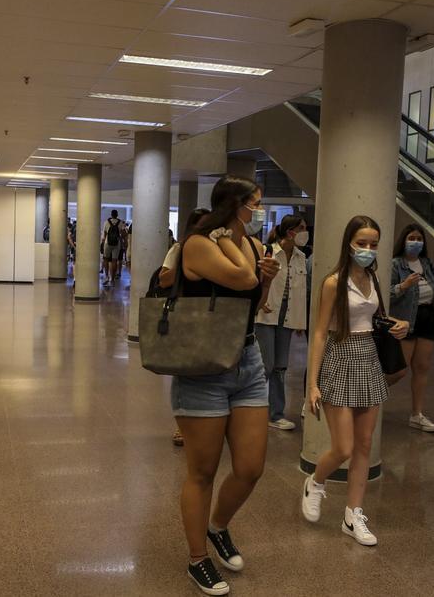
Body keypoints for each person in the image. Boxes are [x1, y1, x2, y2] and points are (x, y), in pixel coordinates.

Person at [172, 176, 278, 596]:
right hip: (202, 368)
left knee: (251, 466)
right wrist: (245, 258)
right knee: (202, 471)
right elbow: (243, 280)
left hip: (247, 360)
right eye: (254, 203)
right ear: (236, 205)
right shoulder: (198, 244)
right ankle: (198, 559)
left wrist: (265, 273)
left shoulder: (248, 245)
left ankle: (218, 527)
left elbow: (257, 298)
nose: (259, 210)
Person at [301, 216, 408, 547]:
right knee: (343, 447)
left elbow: (372, 318)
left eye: (373, 244)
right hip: (340, 356)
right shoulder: (334, 282)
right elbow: (319, 332)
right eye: (362, 243)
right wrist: (312, 383)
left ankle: (353, 514)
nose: (367, 249)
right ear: (349, 243)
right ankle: (315, 482)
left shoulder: (373, 277)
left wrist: (397, 324)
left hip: (368, 358)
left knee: (364, 446)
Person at [388, 223, 434, 432]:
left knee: (422, 367)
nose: (415, 242)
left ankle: (417, 414)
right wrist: (403, 286)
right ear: (403, 240)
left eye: (419, 238)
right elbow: (386, 294)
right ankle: (368, 396)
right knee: (400, 369)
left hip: (427, 318)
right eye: (411, 238)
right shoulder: (395, 265)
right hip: (406, 318)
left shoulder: (427, 264)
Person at [158, 207, 211, 448]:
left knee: (208, 371)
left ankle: (207, 422)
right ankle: (182, 425)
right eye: (202, 226)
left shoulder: (217, 251)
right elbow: (163, 278)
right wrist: (191, 266)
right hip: (185, 315)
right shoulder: (180, 248)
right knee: (185, 373)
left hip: (211, 317)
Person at [256, 214, 309, 432]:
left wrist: (300, 320)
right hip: (266, 315)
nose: (306, 232)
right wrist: (260, 300)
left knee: (280, 366)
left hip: (288, 315)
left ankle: (275, 414)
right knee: (265, 365)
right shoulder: (268, 251)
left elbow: (300, 292)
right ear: (291, 232)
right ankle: (253, 408)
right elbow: (255, 280)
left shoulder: (300, 257)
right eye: (302, 228)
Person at [102, 210, 125, 287]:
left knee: (105, 259)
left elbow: (104, 234)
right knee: (114, 260)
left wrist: (103, 242)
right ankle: (112, 279)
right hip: (116, 243)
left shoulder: (106, 222)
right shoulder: (120, 222)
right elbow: (123, 234)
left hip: (107, 243)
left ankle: (106, 276)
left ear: (111, 214)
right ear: (117, 215)